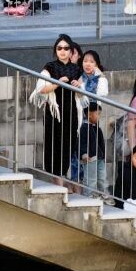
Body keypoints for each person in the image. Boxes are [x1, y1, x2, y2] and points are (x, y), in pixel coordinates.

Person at [35, 34, 82, 179]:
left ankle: (61, 179)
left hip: (70, 112)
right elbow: (41, 89)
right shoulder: (50, 67)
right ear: (55, 50)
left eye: (66, 48)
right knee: (53, 145)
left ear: (71, 51)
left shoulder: (76, 69)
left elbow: (83, 93)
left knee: (68, 146)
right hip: (54, 112)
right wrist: (57, 83)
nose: (62, 51)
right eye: (59, 48)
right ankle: (54, 179)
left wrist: (79, 86)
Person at [77, 103, 107, 196]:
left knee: (102, 178)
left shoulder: (97, 128)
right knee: (90, 179)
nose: (99, 116)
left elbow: (101, 143)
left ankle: (103, 194)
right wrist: (84, 154)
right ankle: (89, 195)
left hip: (100, 158)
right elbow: (82, 142)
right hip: (90, 158)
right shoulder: (84, 128)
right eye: (97, 114)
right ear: (89, 114)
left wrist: (103, 155)